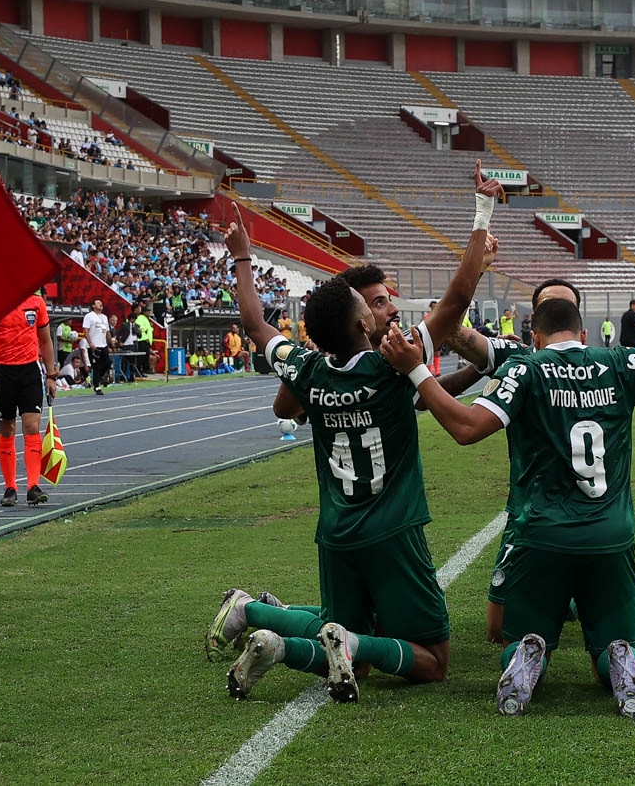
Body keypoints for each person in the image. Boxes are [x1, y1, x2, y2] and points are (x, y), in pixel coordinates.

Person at [210, 163, 500, 704]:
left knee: (349, 655)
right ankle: (307, 633)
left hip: (337, 533)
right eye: (371, 305)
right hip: (393, 529)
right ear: (364, 325)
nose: (379, 308)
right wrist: (482, 212)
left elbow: (254, 325)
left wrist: (244, 257)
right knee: (434, 660)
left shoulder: (308, 369)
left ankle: (275, 642)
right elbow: (457, 300)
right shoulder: (394, 364)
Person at [381, 273, 635, 718]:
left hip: (541, 534)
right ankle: (621, 659)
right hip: (610, 534)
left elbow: (466, 428)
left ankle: (526, 655)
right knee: (612, 650)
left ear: (535, 336)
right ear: (583, 333)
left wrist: (414, 369)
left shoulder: (525, 367)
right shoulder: (618, 362)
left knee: (512, 638)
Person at [0, 291, 59, 507]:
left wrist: (51, 375)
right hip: (3, 371)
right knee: (7, 429)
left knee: (31, 426)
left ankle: (33, 486)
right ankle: (10, 487)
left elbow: (45, 341)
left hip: (30, 371)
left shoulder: (36, 302)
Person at [80, 299, 111, 395]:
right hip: (94, 345)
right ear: (93, 306)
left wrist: (111, 344)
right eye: (98, 303)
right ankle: (97, 386)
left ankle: (99, 377)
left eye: (101, 303)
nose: (100, 304)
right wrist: (90, 343)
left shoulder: (105, 317)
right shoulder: (89, 316)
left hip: (103, 344)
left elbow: (107, 332)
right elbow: (85, 330)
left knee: (107, 363)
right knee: (96, 366)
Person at [132, 304, 153, 380]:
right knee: (140, 357)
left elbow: (148, 329)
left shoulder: (145, 318)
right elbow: (141, 328)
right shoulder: (138, 317)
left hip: (146, 339)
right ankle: (139, 370)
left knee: (145, 356)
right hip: (141, 340)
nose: (149, 313)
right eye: (147, 311)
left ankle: (144, 369)